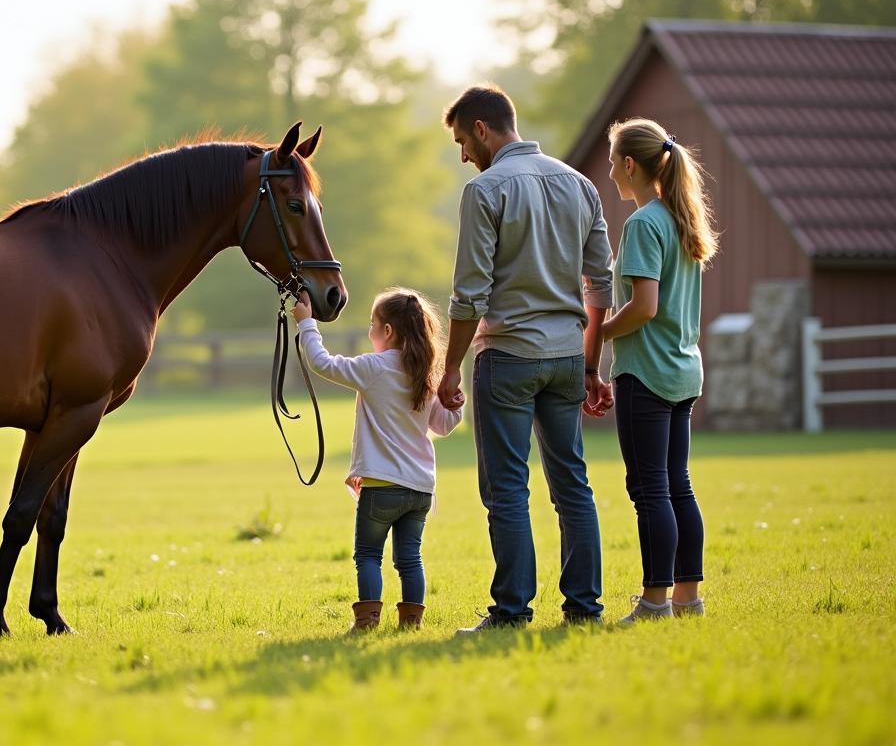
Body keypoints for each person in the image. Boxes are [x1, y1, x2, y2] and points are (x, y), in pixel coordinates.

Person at [437, 84, 615, 632]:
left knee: (507, 487)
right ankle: (583, 608)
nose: (464, 155)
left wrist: (448, 367)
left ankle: (512, 611)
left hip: (508, 356)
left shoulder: (485, 191)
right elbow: (601, 284)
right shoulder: (580, 185)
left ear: (484, 130)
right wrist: (591, 365)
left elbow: (470, 293)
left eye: (464, 141)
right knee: (572, 484)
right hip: (566, 357)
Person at [601, 118, 718, 624]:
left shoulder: (645, 223)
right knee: (676, 484)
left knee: (649, 488)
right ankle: (687, 598)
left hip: (646, 373)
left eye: (612, 164)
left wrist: (598, 333)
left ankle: (654, 602)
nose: (610, 174)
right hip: (683, 372)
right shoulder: (681, 217)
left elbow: (643, 306)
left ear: (630, 165)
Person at [292, 287, 463, 632]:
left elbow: (322, 363)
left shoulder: (374, 368)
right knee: (410, 559)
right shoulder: (426, 374)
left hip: (381, 487)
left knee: (368, 555)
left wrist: (306, 324)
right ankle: (411, 623)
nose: (370, 332)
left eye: (373, 325)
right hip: (420, 490)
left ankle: (367, 622)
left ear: (388, 332)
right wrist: (456, 405)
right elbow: (442, 426)